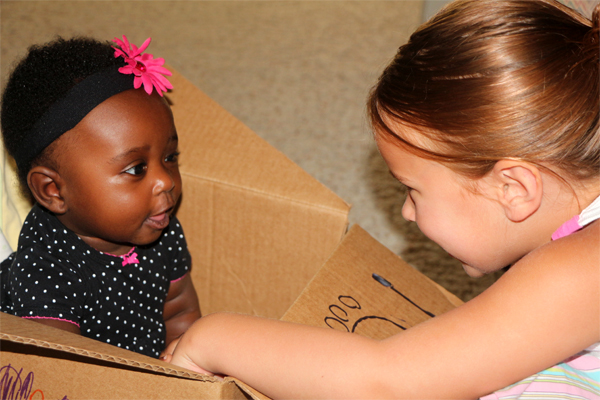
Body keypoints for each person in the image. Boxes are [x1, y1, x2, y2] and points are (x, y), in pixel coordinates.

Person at [166, 0, 599, 398]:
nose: (406, 213)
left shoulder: (577, 272)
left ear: (513, 189)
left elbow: (385, 385)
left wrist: (213, 339)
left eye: (412, 190)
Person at [0, 35, 201, 359]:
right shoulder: (45, 270)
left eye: (170, 156)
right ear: (54, 190)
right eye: (136, 169)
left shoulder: (160, 227)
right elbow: (68, 374)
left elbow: (179, 313)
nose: (165, 181)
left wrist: (183, 364)